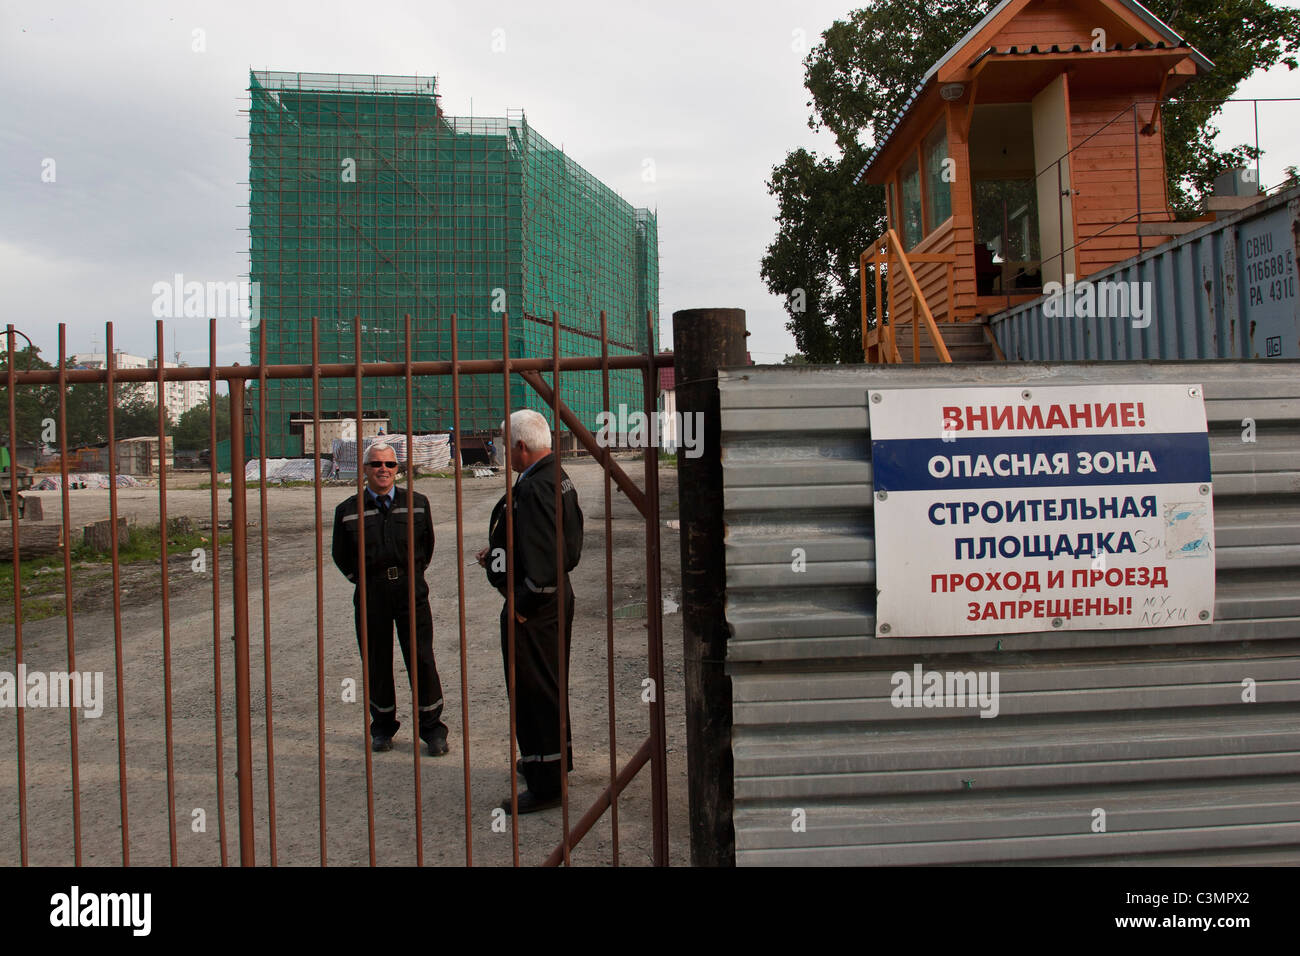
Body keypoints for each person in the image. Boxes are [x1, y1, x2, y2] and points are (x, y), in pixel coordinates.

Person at [477, 409, 583, 813]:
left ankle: (546, 785)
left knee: (534, 691)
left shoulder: (537, 487)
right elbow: (557, 541)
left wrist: (524, 602)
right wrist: (501, 554)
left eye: (506, 443)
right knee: (548, 686)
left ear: (521, 446)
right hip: (553, 598)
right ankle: (552, 762)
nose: (504, 450)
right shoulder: (555, 476)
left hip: (537, 605)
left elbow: (546, 558)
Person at [332, 440, 449, 756]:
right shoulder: (347, 511)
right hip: (372, 594)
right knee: (377, 661)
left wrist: (411, 576)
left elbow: (426, 548)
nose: (383, 470)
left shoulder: (419, 504)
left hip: (411, 591)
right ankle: (382, 728)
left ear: (398, 470)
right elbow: (341, 555)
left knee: (421, 659)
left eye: (390, 465)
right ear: (365, 469)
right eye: (376, 464)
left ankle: (433, 730)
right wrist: (366, 581)